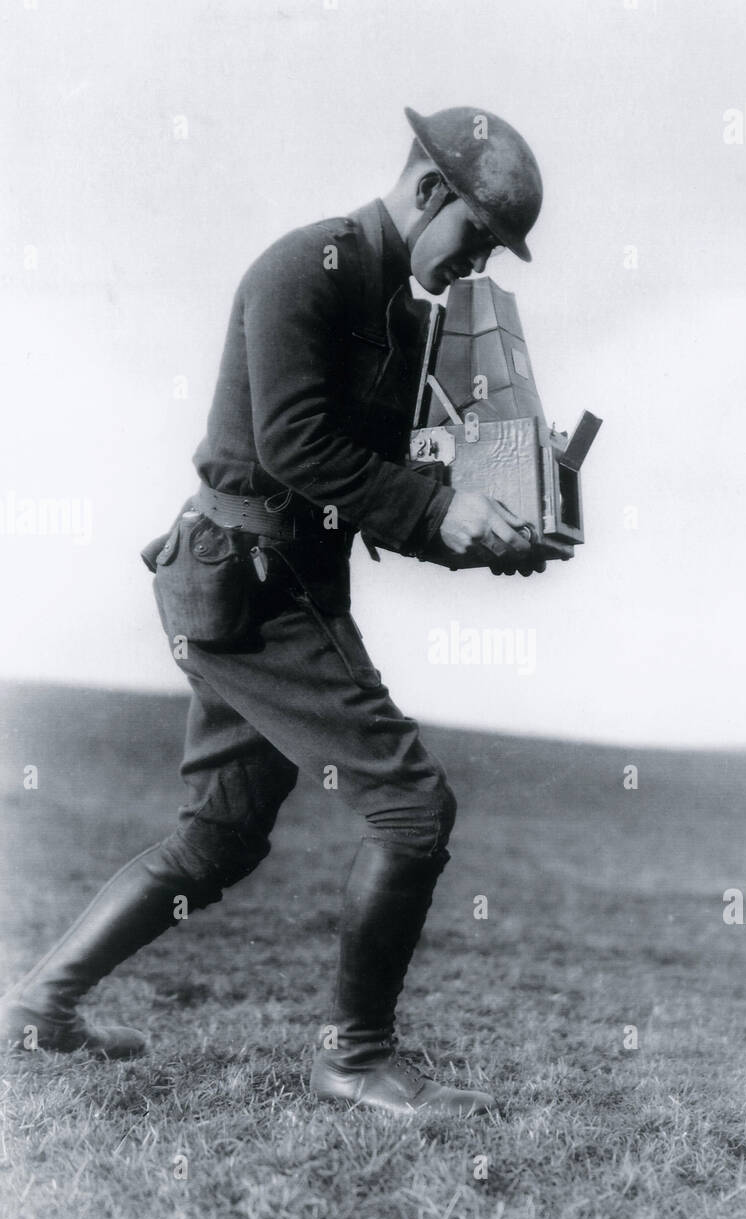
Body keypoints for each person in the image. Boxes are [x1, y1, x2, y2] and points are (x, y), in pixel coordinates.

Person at [1, 106, 547, 1119]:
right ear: (430, 193)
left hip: (276, 581)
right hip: (249, 583)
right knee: (411, 809)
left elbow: (375, 478)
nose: (472, 267)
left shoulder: (399, 308)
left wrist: (488, 541)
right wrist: (439, 510)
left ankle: (41, 1007)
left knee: (219, 840)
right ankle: (355, 1056)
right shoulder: (308, 268)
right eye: (473, 238)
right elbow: (295, 449)